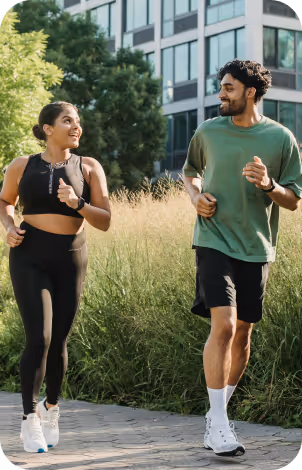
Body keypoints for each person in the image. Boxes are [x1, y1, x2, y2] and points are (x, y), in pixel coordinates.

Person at [183, 60, 302, 457]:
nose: (221, 94)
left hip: (256, 247)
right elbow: (190, 172)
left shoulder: (281, 138)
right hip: (213, 240)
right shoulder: (208, 131)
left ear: (251, 91)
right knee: (225, 325)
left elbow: (294, 200)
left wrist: (269, 184)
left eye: (229, 88)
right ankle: (219, 423)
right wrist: (195, 197)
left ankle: (217, 414)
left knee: (244, 333)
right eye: (221, 87)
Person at [0, 101, 111, 453]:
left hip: (71, 257)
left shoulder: (89, 167)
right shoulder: (22, 165)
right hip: (28, 254)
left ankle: (51, 408)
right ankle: (29, 418)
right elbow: (4, 201)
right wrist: (8, 227)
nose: (76, 127)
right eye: (68, 121)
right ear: (48, 128)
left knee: (59, 340)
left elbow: (105, 219)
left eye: (78, 121)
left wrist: (77, 203)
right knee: (40, 337)